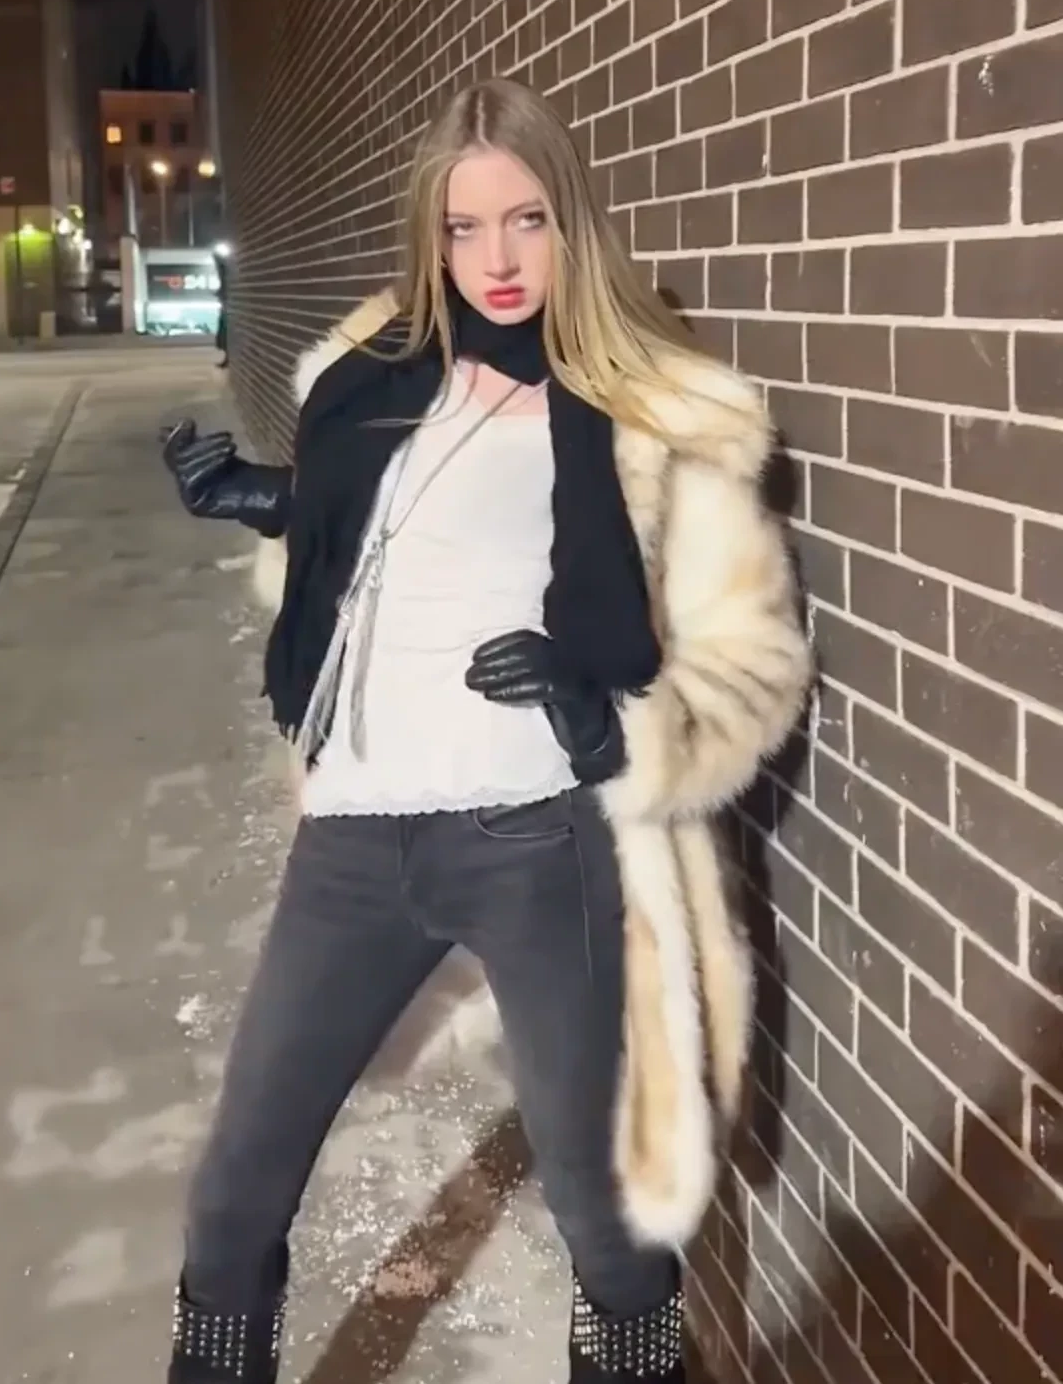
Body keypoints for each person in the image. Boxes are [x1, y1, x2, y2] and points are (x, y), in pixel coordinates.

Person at [159, 77, 811, 1384]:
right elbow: (376, 535)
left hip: (533, 839)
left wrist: (601, 711)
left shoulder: (654, 410)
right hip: (355, 841)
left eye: (526, 220)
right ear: (432, 235)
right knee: (233, 1197)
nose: (497, 259)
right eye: (464, 228)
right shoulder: (375, 380)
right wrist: (269, 499)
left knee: (606, 1213)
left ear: (570, 221)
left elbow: (752, 664)